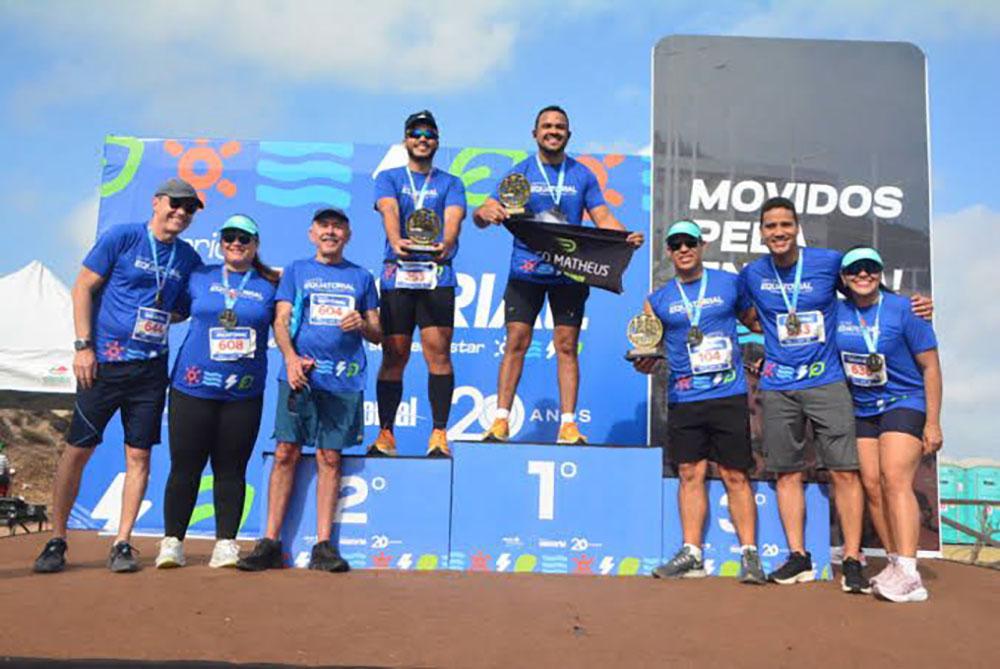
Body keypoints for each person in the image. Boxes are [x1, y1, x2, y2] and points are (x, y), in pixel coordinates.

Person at [737, 196, 932, 593]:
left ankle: (854, 557)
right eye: (771, 226)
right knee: (786, 473)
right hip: (779, 385)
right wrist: (767, 342)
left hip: (826, 380)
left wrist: (915, 305)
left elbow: (868, 287)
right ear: (761, 231)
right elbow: (745, 314)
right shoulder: (752, 273)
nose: (779, 232)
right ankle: (798, 557)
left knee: (845, 472)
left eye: (786, 225)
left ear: (797, 227)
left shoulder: (827, 262)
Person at [33, 178, 204, 574]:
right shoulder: (123, 238)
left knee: (139, 455)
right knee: (78, 450)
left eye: (189, 208)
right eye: (175, 204)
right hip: (103, 363)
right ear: (157, 202)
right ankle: (57, 538)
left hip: (150, 369)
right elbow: (82, 288)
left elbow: (185, 306)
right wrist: (83, 346)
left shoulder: (187, 257)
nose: (181, 212)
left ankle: (122, 542)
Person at [474, 105, 644, 444]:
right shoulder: (519, 175)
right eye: (547, 126)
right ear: (534, 133)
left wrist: (623, 240)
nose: (553, 131)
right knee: (516, 343)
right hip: (526, 271)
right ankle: (500, 421)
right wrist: (483, 211)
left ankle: (568, 425)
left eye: (560, 126)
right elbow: (482, 216)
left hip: (569, 273)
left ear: (569, 134)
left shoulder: (581, 175)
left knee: (566, 346)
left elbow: (602, 215)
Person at [237, 208, 380, 572]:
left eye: (337, 227)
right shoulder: (297, 271)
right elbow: (281, 319)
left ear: (347, 235)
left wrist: (362, 323)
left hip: (344, 379)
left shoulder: (361, 277)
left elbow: (378, 332)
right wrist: (290, 358)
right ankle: (269, 542)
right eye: (324, 227)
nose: (330, 232)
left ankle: (323, 545)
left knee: (330, 458)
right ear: (311, 233)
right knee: (285, 452)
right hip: (301, 376)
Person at [633, 221, 766, 584]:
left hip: (728, 393)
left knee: (735, 475)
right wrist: (644, 361)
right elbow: (648, 349)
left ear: (701, 245)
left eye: (689, 242)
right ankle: (692, 553)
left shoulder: (728, 283)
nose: (683, 249)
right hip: (685, 396)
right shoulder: (657, 299)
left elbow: (754, 322)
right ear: (669, 252)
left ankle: (750, 555)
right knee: (690, 473)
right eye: (675, 244)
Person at [156, 215, 279, 569]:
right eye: (229, 237)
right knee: (185, 467)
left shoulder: (270, 285)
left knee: (231, 469)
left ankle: (226, 543)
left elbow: (288, 325)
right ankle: (172, 541)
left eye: (244, 238)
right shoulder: (200, 276)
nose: (236, 243)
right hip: (192, 387)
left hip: (242, 392)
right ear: (221, 242)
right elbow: (169, 308)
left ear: (256, 245)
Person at [835, 246, 942, 602]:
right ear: (844, 278)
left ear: (880, 272)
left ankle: (910, 573)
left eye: (870, 268)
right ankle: (896, 562)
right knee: (873, 485)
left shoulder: (904, 309)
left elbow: (930, 367)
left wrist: (933, 422)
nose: (863, 274)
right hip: (864, 408)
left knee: (896, 479)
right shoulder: (837, 312)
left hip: (904, 401)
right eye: (854, 270)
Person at [369, 110, 466, 458]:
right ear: (406, 140)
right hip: (399, 275)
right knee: (393, 354)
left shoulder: (451, 182)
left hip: (437, 276)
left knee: (438, 353)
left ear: (437, 141)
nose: (422, 139)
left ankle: (439, 433)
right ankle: (385, 434)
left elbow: (453, 217)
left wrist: (449, 242)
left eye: (428, 134)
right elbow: (389, 209)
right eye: (415, 134)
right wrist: (395, 240)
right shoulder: (390, 177)